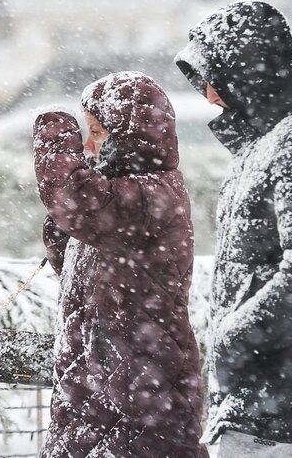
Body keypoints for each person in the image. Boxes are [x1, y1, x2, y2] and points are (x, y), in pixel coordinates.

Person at [174, 1, 292, 457]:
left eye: (214, 80)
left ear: (249, 73)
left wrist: (238, 337)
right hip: (265, 399)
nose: (210, 96)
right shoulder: (263, 147)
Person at [33, 71, 209, 458]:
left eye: (97, 132)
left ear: (129, 138)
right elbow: (80, 270)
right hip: (96, 389)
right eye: (86, 132)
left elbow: (75, 200)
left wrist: (55, 132)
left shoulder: (152, 194)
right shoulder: (122, 194)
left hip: (138, 396)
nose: (89, 146)